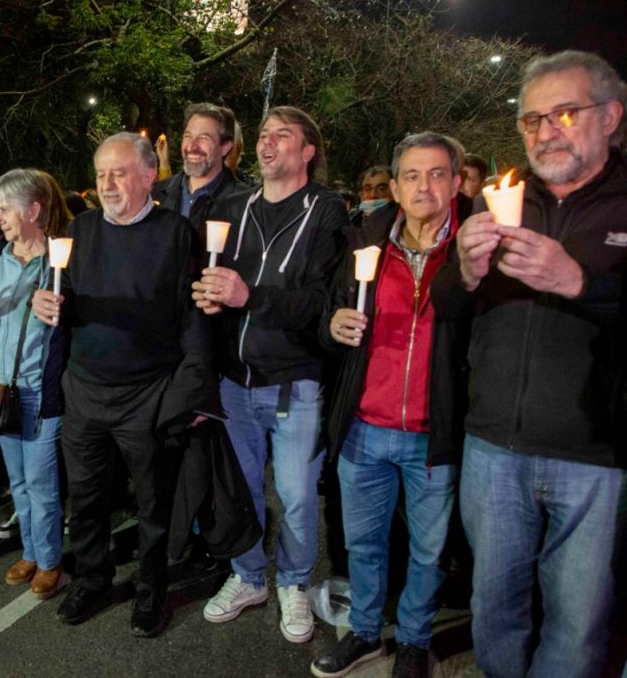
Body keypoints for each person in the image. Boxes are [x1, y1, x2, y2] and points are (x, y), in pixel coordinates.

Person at [432, 49, 626, 678]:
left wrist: (580, 283)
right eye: (531, 119)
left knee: (578, 625)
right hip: (494, 449)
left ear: (611, 116)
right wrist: (461, 270)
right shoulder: (505, 199)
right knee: (494, 610)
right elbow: (444, 306)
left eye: (564, 114)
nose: (544, 131)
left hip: (595, 457)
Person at [33, 132, 214, 638]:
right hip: (86, 391)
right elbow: (56, 292)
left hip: (148, 393)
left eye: (119, 172)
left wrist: (193, 390)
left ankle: (152, 589)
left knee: (154, 502)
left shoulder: (177, 233)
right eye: (100, 174)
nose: (107, 184)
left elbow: (192, 316)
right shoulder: (79, 231)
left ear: (149, 174)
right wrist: (42, 303)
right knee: (87, 498)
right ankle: (92, 579)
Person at [311, 132, 470, 678]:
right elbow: (327, 319)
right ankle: (363, 632)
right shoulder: (364, 245)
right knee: (363, 544)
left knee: (428, 552)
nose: (424, 186)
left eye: (436, 174)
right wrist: (331, 327)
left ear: (455, 181)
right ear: (396, 187)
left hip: (434, 434)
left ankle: (413, 639)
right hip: (365, 429)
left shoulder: (474, 250)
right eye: (412, 175)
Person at [192, 106, 347, 644]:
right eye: (263, 135)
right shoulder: (234, 205)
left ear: (307, 152)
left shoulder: (326, 211)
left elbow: (318, 303)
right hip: (235, 381)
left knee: (299, 495)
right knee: (239, 491)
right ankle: (250, 576)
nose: (267, 144)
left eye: (283, 136)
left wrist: (247, 296)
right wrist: (208, 298)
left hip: (294, 381)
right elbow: (212, 280)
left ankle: (296, 583)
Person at [0, 169, 71, 600]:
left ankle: (49, 561)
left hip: (39, 393)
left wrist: (63, 305)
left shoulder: (60, 260)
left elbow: (74, 326)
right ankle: (31, 550)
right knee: (19, 481)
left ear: (34, 210)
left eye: (5, 208)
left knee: (42, 484)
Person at [152, 103, 248, 239]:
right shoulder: (158, 194)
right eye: (188, 136)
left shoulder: (244, 204)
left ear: (225, 147)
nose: (192, 146)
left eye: (204, 138)